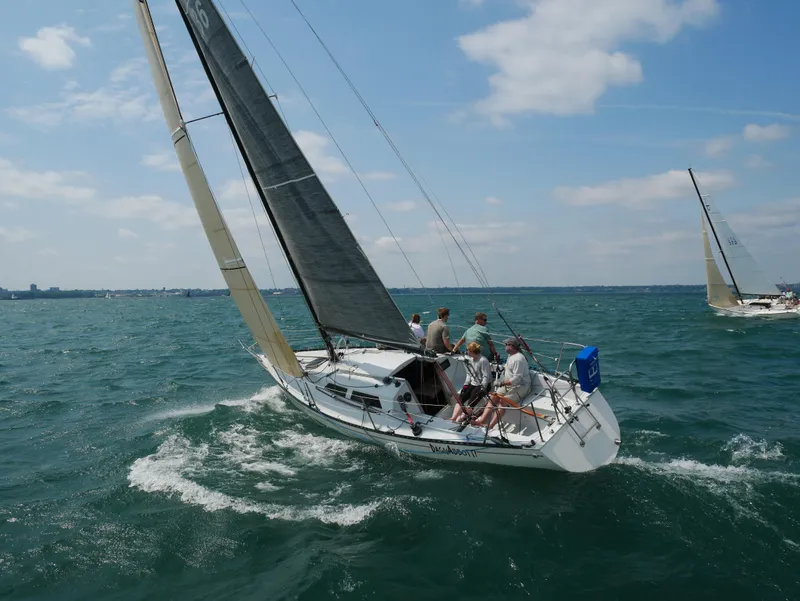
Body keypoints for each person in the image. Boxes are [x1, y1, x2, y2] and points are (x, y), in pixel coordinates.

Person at [474, 337, 531, 429]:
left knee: (502, 402)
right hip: (509, 385)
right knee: (493, 397)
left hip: (521, 386)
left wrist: (502, 384)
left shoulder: (518, 359)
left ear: (511, 346)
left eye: (506, 345)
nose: (504, 346)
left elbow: (518, 378)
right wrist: (502, 381)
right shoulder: (511, 356)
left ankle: (491, 425)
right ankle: (482, 421)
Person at [450, 342, 491, 423]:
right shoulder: (471, 360)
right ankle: (453, 418)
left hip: (482, 384)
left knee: (471, 402)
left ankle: (463, 418)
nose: (467, 352)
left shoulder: (483, 360)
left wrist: (483, 388)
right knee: (460, 399)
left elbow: (486, 376)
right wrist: (465, 385)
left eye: (468, 350)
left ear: (472, 351)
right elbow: (469, 374)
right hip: (473, 383)